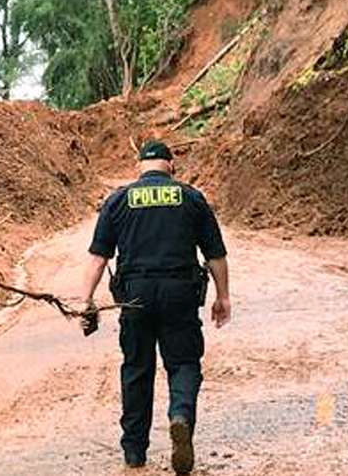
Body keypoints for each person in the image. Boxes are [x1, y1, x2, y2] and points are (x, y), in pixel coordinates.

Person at [78, 140, 231, 475]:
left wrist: (86, 300)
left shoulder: (118, 200)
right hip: (180, 294)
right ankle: (180, 416)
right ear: (170, 166)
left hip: (135, 296)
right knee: (184, 363)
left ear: (139, 168)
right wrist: (223, 296)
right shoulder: (191, 198)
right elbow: (215, 253)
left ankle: (134, 453)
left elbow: (98, 257)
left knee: (136, 369)